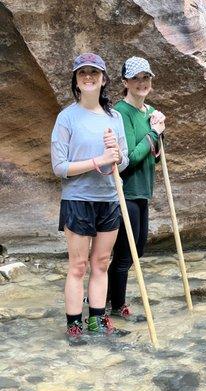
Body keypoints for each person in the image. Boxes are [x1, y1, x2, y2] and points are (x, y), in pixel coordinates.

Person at [51, 52, 128, 339]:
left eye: (94, 72)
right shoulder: (67, 117)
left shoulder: (115, 118)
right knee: (79, 266)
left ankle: (96, 319)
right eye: (82, 72)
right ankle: (74, 323)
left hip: (108, 199)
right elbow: (59, 167)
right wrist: (98, 160)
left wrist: (117, 154)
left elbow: (125, 162)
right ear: (76, 79)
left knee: (101, 263)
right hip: (78, 200)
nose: (88, 77)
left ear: (103, 78)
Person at [107, 56, 165, 319]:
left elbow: (155, 156)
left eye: (146, 78)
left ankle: (104, 294)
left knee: (138, 250)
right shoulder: (122, 112)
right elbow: (130, 156)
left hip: (143, 191)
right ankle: (117, 306)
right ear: (125, 82)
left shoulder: (149, 113)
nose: (142, 83)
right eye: (136, 78)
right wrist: (153, 134)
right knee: (124, 253)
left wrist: (159, 133)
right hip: (126, 190)